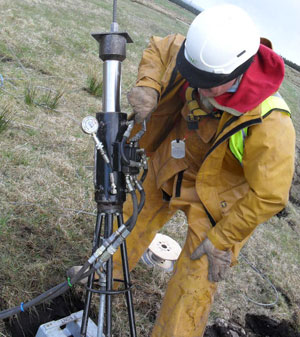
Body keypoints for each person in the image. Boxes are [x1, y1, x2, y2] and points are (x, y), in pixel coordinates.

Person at [111, 4, 295, 337]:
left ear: (237, 71)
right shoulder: (203, 54)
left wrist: (223, 239)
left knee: (194, 282)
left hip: (216, 205)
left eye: (208, 84)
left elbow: (269, 196)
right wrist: (149, 85)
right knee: (128, 223)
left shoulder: (271, 122)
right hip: (169, 164)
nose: (197, 88)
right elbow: (162, 46)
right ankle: (98, 283)